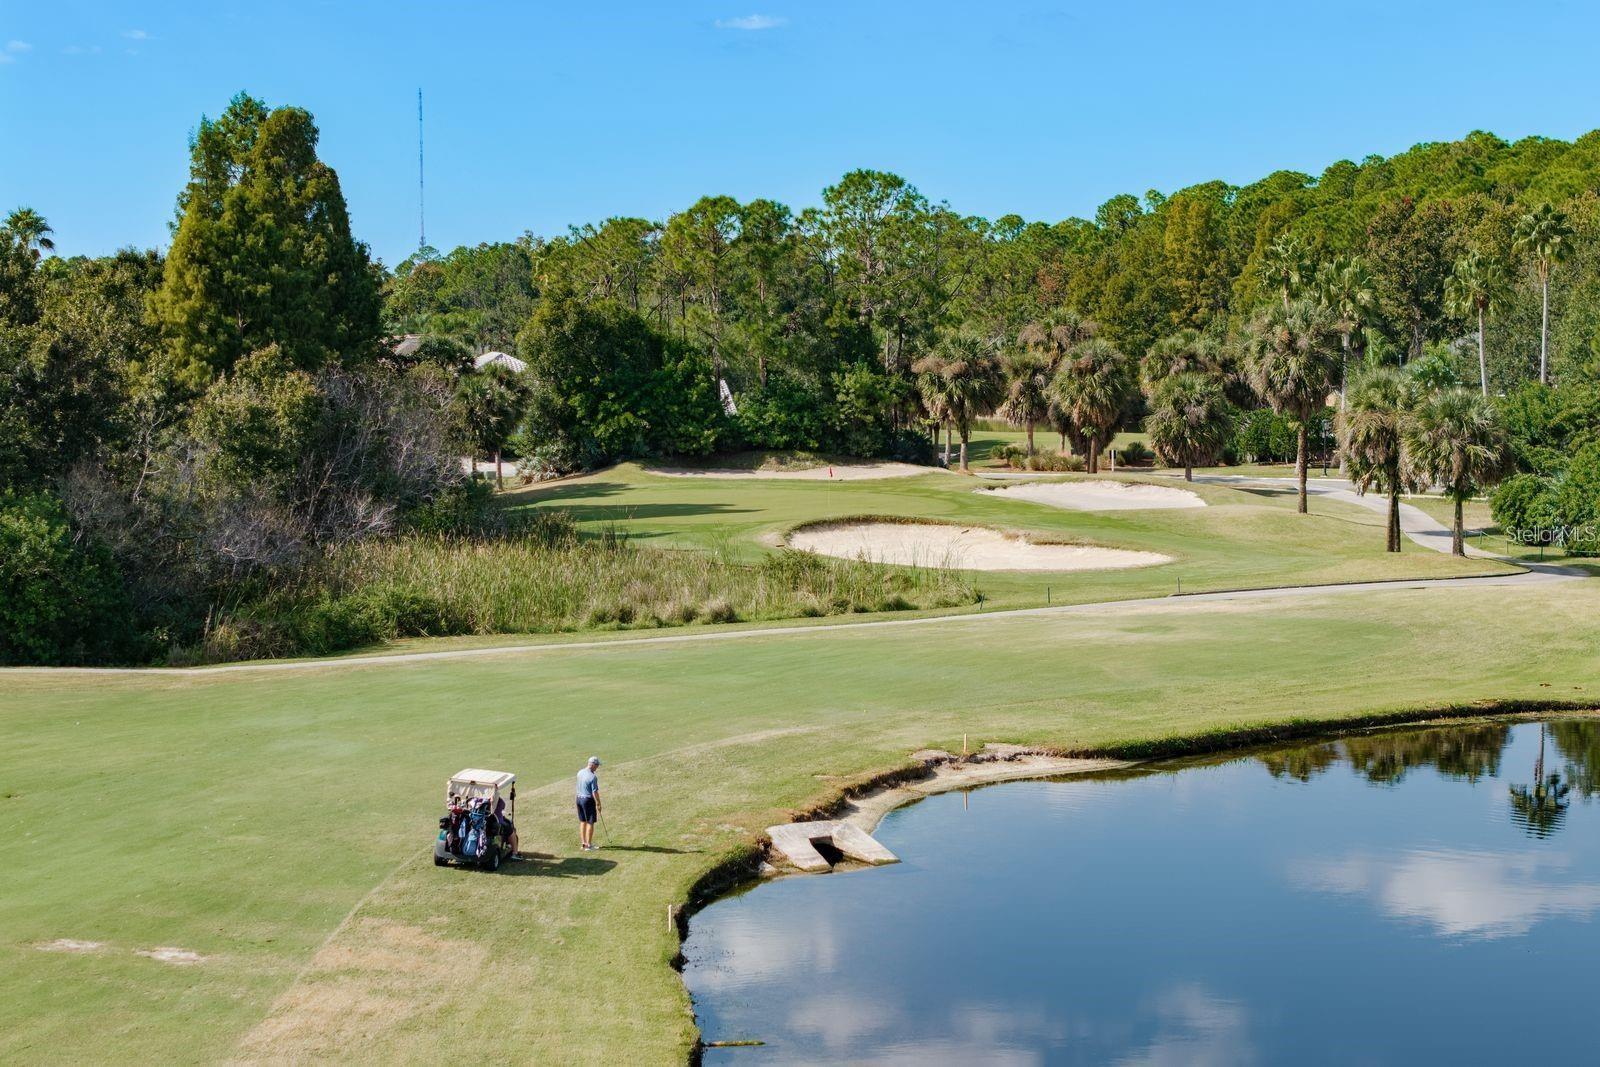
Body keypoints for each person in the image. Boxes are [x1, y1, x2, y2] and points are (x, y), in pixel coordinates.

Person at [576, 756, 602, 851]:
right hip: (587, 800)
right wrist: (598, 803)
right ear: (593, 765)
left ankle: (583, 844)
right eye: (597, 765)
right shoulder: (593, 777)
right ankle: (588, 845)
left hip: (578, 799)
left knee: (583, 821)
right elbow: (594, 792)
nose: (597, 767)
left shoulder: (580, 772)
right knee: (590, 822)